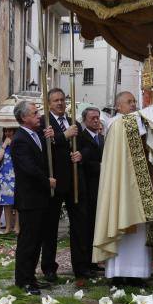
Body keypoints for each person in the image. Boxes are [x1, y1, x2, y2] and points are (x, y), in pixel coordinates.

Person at [92, 92, 153, 287]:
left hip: (141, 187)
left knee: (139, 234)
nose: (133, 105)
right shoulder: (117, 124)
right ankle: (118, 274)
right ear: (118, 106)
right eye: (128, 102)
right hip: (122, 190)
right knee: (123, 229)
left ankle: (138, 274)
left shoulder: (137, 122)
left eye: (134, 102)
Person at [41, 88, 90, 281]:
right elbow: (46, 149)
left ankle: (81, 266)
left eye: (62, 100)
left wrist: (82, 155)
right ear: (49, 103)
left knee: (79, 225)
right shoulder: (44, 123)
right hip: (55, 181)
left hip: (75, 183)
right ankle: (49, 268)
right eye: (55, 101)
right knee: (50, 227)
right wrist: (64, 136)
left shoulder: (74, 123)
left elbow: (88, 145)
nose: (60, 103)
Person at [11, 101, 56, 295]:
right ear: (24, 118)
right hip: (29, 198)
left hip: (40, 198)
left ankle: (31, 277)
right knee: (28, 241)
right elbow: (28, 168)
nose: (39, 115)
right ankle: (23, 280)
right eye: (35, 113)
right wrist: (47, 181)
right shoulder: (20, 139)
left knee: (37, 240)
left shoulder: (36, 134)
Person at [77, 107, 105, 275]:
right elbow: (81, 161)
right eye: (93, 118)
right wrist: (100, 167)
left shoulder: (101, 138)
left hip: (100, 187)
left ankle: (94, 259)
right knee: (86, 227)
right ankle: (85, 261)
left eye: (98, 117)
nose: (96, 120)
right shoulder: (81, 137)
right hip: (87, 187)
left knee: (96, 225)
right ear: (85, 120)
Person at [0, 128, 17, 234]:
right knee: (6, 203)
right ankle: (8, 227)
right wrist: (4, 145)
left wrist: (12, 144)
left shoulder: (18, 142)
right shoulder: (3, 145)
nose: (7, 133)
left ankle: (17, 226)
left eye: (9, 130)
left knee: (18, 202)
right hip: (5, 177)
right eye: (5, 131)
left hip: (16, 175)